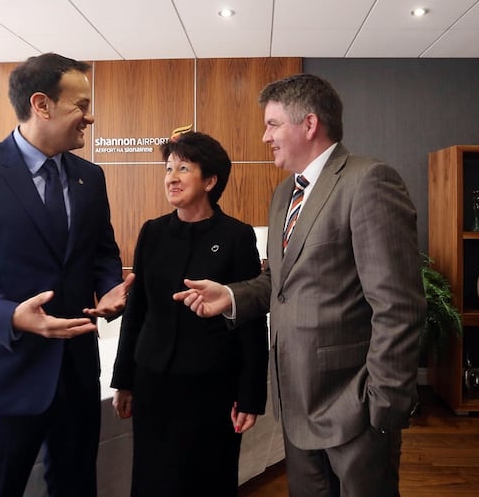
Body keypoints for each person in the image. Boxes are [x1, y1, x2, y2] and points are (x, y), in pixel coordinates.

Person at [175, 73, 426, 497]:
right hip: (296, 404)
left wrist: (383, 403)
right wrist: (232, 295)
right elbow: (281, 279)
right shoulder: (283, 196)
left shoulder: (369, 181)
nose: (265, 136)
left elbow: (398, 306)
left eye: (272, 124)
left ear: (309, 124)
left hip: (355, 405)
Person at [0, 52, 134, 497]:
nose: (90, 117)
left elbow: (101, 252)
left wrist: (111, 287)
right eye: (81, 105)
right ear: (41, 104)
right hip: (2, 379)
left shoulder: (90, 177)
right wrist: (10, 315)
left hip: (75, 376)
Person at [111, 131, 268, 497]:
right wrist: (124, 380)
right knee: (152, 478)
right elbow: (137, 311)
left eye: (183, 168)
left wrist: (250, 395)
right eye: (168, 168)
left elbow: (251, 320)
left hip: (212, 385)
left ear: (210, 181)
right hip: (153, 380)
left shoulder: (237, 236)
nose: (172, 177)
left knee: (207, 479)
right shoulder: (152, 232)